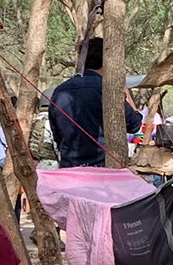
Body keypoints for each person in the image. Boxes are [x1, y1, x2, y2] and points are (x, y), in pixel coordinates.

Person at [49, 37, 145, 168]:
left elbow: (57, 136)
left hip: (70, 170)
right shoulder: (107, 90)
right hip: (104, 170)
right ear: (108, 60)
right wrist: (125, 90)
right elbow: (134, 125)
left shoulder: (59, 91)